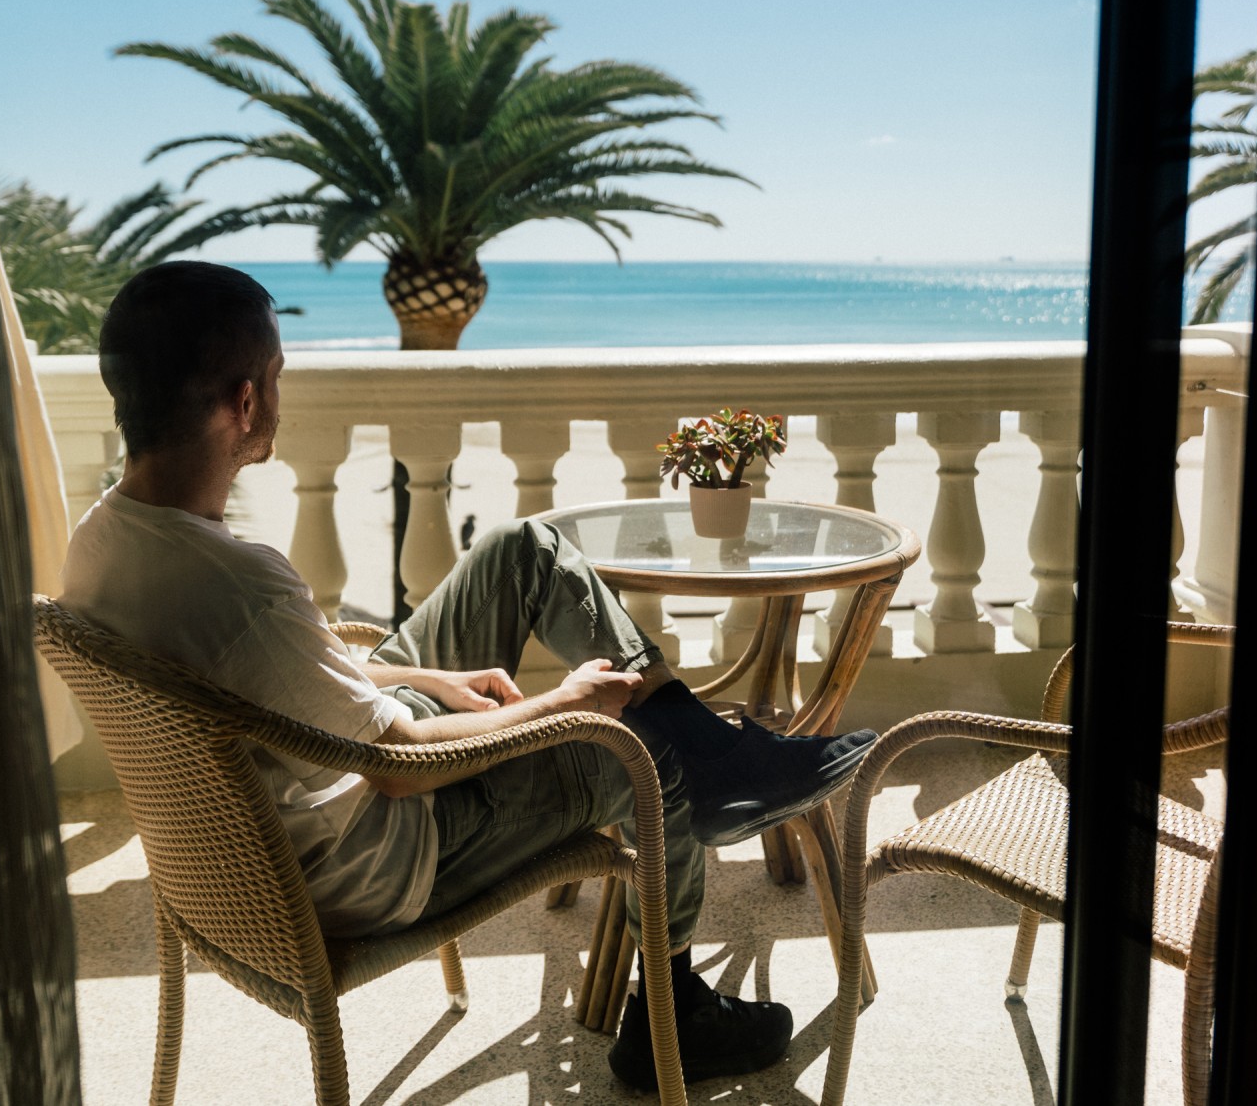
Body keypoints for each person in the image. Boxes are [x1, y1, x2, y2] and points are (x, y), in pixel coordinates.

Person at [57, 262, 877, 1089]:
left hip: (268, 834)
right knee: (646, 753)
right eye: (275, 376)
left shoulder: (98, 540)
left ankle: (712, 752)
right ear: (244, 402)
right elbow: (398, 765)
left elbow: (277, 681)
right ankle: (673, 1008)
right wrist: (565, 703)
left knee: (520, 552)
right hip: (378, 857)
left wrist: (433, 680)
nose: (278, 395)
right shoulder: (245, 589)